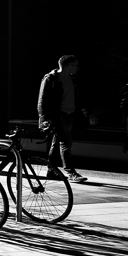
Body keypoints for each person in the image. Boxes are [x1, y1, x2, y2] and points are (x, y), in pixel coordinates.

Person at [37, 54, 88, 183]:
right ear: (67, 66)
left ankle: (51, 170)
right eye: (75, 65)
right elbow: (42, 100)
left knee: (57, 142)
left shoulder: (72, 79)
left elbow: (76, 97)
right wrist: (44, 118)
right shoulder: (51, 79)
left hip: (70, 114)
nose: (77, 68)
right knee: (66, 142)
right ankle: (71, 172)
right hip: (58, 115)